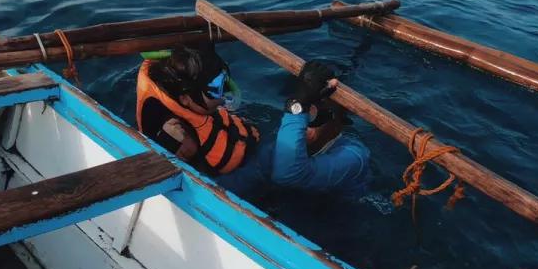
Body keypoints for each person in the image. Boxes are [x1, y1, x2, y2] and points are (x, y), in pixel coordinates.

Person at [135, 48, 371, 199]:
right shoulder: (287, 141)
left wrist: (297, 107)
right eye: (302, 115)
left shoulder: (353, 156)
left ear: (340, 123)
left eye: (312, 117)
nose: (304, 127)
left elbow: (287, 175)